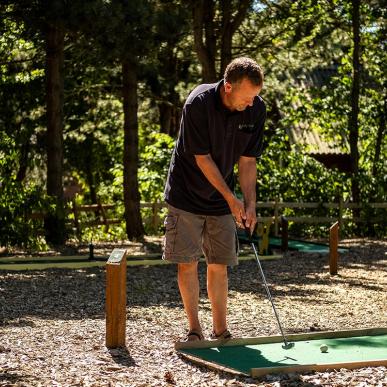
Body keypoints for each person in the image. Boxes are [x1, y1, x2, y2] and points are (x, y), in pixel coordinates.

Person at [163, 57, 266, 342]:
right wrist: (231, 199)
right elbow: (202, 159)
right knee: (187, 262)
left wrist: (249, 203)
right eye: (246, 97)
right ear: (228, 87)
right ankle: (194, 330)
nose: (251, 104)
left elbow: (247, 161)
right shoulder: (199, 103)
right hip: (186, 193)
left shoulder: (255, 109)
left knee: (219, 263)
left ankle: (221, 331)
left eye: (255, 97)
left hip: (222, 195)